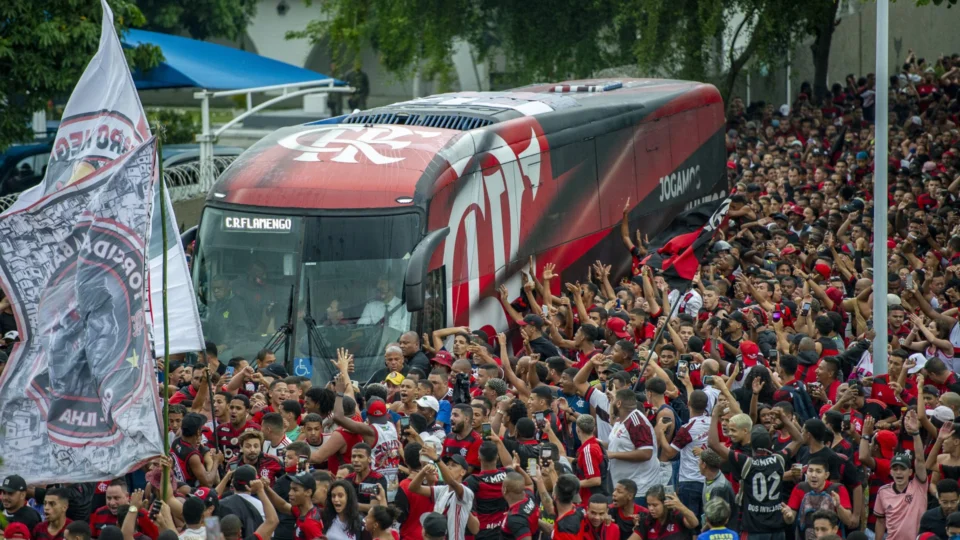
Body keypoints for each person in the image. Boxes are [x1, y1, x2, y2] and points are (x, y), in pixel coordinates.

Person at [874, 411, 929, 540]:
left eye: (902, 469)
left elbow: (920, 459)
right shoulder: (883, 492)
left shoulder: (919, 485)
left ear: (910, 472)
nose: (898, 472)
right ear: (891, 471)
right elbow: (880, 521)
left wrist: (915, 433)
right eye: (895, 469)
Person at [406, 446, 476, 540]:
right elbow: (413, 488)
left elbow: (451, 481)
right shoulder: (442, 490)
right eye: (447, 464)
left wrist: (437, 459)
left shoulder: (466, 491)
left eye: (454, 465)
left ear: (463, 472)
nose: (449, 467)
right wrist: (423, 471)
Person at [607, 388, 659, 502]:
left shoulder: (636, 422)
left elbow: (646, 453)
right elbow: (617, 445)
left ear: (619, 403)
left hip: (639, 489)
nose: (612, 404)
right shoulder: (622, 420)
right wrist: (600, 445)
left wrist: (614, 454)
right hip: (624, 487)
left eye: (613, 401)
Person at [89, 482, 158, 540]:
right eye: (109, 498)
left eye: (116, 498)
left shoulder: (142, 514)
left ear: (127, 496)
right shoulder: (98, 513)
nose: (112, 503)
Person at [263, 473, 323, 540]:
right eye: (290, 489)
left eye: (295, 490)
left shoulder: (310, 523)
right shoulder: (302, 511)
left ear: (308, 492)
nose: (290, 493)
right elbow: (283, 506)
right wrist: (267, 488)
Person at [630, 485, 698, 540]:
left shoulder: (677, 516)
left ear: (665, 503)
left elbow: (694, 523)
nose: (651, 509)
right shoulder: (646, 521)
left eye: (655, 505)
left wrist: (680, 506)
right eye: (649, 504)